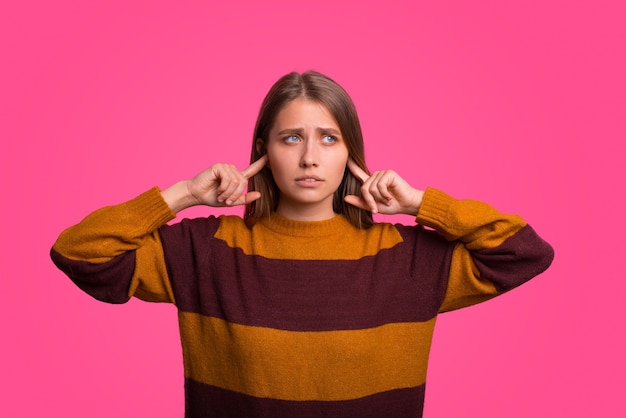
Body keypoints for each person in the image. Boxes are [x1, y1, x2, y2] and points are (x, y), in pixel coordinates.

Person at [50, 71, 554, 418]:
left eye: (329, 139)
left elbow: (524, 252)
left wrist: (421, 203)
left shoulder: (408, 257)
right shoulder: (205, 249)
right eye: (291, 138)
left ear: (351, 153)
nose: (310, 157)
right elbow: (79, 252)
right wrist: (183, 194)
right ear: (262, 152)